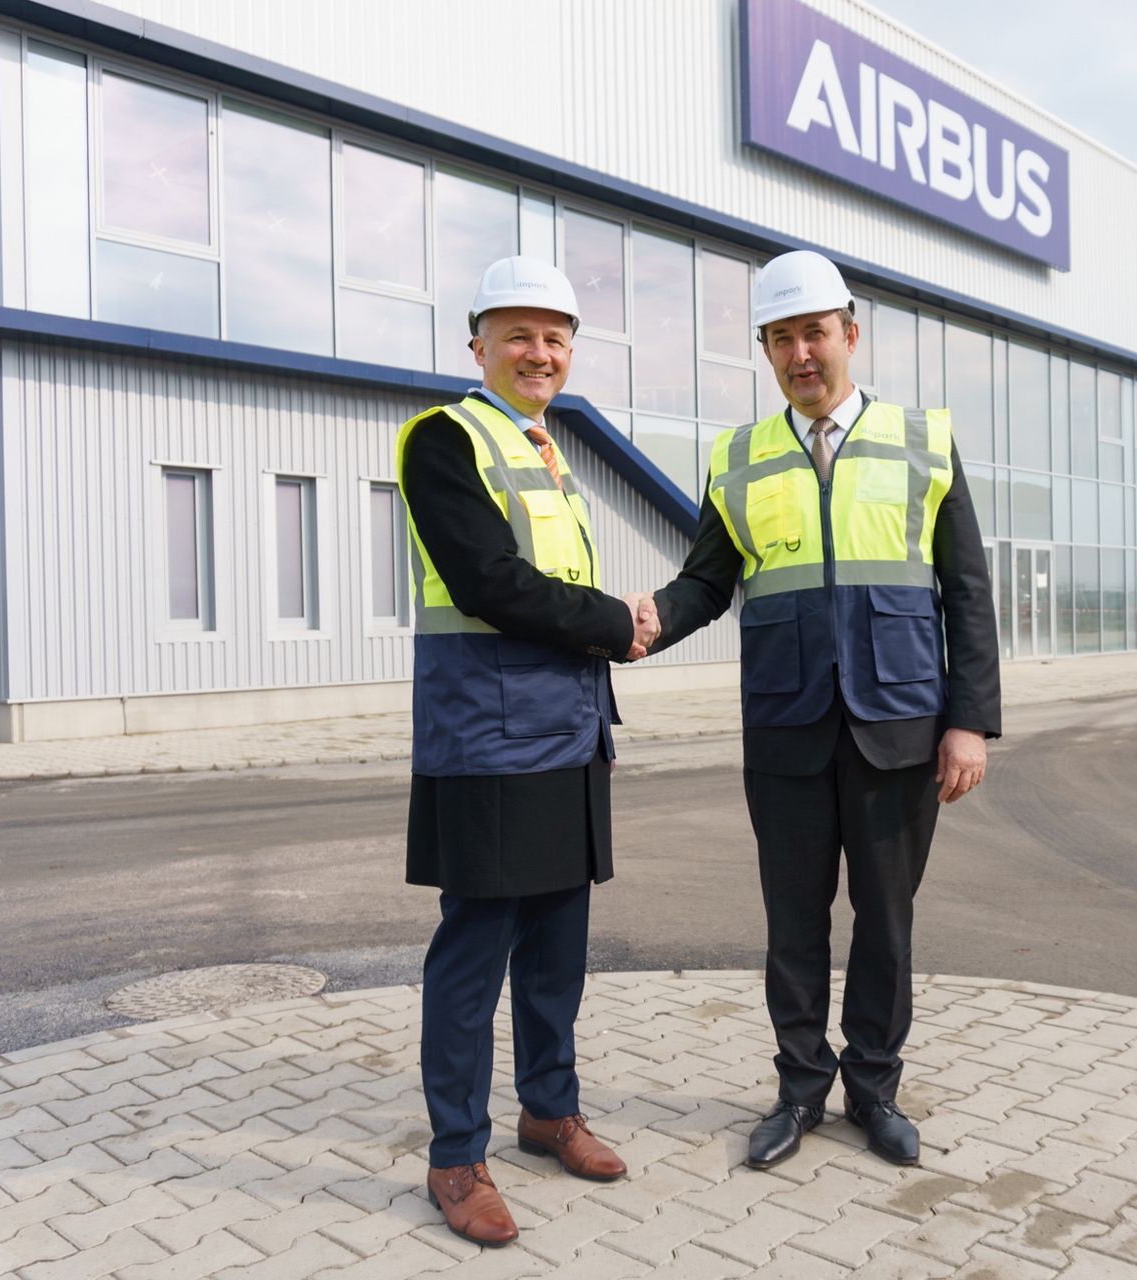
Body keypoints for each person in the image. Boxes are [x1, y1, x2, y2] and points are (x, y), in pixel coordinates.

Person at [639, 250, 1001, 1170]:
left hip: (899, 727)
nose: (802, 354)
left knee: (886, 923)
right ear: (765, 350)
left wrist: (968, 721)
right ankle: (800, 1090)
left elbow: (967, 591)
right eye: (781, 339)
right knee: (793, 924)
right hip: (787, 726)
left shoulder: (922, 440)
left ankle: (874, 1087)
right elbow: (707, 582)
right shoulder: (739, 456)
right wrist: (647, 621)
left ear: (850, 333)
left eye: (815, 333)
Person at [395, 256, 659, 1247]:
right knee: (475, 953)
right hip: (488, 737)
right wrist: (616, 622)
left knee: (557, 947)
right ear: (478, 346)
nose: (538, 352)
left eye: (555, 337)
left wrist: (598, 711)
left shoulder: (549, 451)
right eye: (518, 334)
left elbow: (550, 598)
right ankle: (455, 1156)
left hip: (565, 735)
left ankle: (550, 1110)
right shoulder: (444, 438)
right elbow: (488, 582)